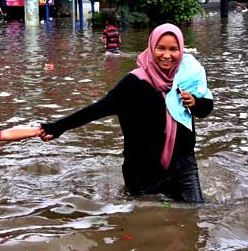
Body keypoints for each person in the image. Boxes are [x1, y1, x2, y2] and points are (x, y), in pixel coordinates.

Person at [40, 24, 213, 203]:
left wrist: (195, 103)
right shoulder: (134, 83)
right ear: (151, 47)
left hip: (183, 164)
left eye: (173, 49)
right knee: (146, 221)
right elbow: (97, 110)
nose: (167, 55)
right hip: (142, 170)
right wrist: (58, 127)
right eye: (160, 48)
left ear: (181, 51)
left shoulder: (188, 77)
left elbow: (205, 109)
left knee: (195, 212)